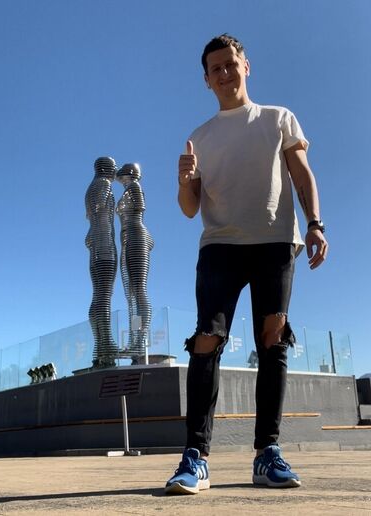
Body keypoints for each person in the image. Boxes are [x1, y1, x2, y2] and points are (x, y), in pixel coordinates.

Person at [165, 34, 328, 495]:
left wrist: (315, 223)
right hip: (220, 246)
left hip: (275, 242)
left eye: (230, 64)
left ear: (246, 66)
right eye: (215, 68)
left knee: (272, 338)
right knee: (206, 339)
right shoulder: (200, 136)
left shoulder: (278, 118)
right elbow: (189, 209)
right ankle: (195, 457)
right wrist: (184, 181)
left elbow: (301, 173)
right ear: (206, 80)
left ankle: (267, 453)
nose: (224, 73)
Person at [116, 163, 154, 364]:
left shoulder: (134, 187)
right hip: (129, 237)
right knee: (132, 295)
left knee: (138, 291)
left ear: (130, 173)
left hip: (136, 235)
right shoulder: (129, 189)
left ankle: (141, 339)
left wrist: (121, 209)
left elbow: (139, 207)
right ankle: (135, 340)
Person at [85, 157, 118, 368]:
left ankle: (100, 347)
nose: (115, 171)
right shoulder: (104, 184)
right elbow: (103, 214)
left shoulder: (91, 187)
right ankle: (106, 346)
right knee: (104, 297)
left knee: (98, 297)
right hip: (104, 245)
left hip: (94, 245)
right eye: (113, 168)